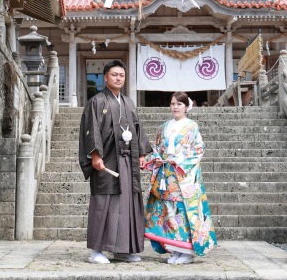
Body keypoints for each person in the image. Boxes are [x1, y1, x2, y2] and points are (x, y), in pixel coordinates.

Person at [78, 60, 152, 264]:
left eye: (121, 75)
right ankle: (97, 250)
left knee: (128, 203)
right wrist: (95, 155)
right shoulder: (97, 101)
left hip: (128, 160)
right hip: (108, 159)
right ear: (105, 77)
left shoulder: (128, 102)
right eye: (114, 75)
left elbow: (137, 129)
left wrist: (142, 154)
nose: (118, 78)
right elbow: (90, 129)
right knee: (104, 203)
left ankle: (122, 249)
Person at [144, 91, 217, 264]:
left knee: (183, 211)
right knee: (168, 211)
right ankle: (174, 249)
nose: (175, 107)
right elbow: (156, 148)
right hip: (166, 174)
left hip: (184, 175)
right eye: (173, 104)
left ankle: (186, 251)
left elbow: (198, 149)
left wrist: (178, 161)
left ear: (186, 106)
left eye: (179, 104)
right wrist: (158, 159)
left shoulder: (192, 126)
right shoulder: (163, 127)